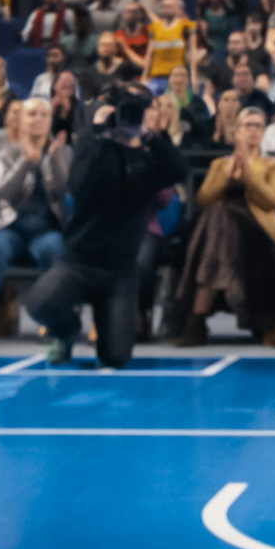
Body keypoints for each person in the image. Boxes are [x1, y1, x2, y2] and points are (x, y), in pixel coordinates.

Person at [23, 92, 187, 368]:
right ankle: (66, 332)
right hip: (79, 264)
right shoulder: (90, 150)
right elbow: (81, 185)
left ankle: (104, 330)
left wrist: (146, 136)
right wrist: (99, 133)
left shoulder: (145, 161)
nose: (120, 121)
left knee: (116, 357)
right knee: (39, 304)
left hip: (120, 273)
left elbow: (178, 169)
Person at [179, 104, 275, 347]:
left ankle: (196, 319)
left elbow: (272, 201)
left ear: (263, 132)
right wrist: (225, 176)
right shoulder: (219, 165)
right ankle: (230, 288)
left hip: (258, 229)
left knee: (220, 220)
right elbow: (204, 199)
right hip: (222, 230)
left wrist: (248, 173)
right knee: (220, 217)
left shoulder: (272, 165)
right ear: (237, 131)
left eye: (257, 126)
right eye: (247, 125)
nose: (252, 131)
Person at [0, 98, 68, 344]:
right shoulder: (7, 152)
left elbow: (63, 191)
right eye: (31, 115)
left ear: (50, 120)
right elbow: (0, 191)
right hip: (8, 226)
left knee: (53, 250)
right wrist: (26, 162)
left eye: (43, 115)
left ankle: (50, 321)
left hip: (45, 228)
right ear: (21, 121)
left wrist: (53, 160)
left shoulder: (62, 152)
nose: (37, 120)